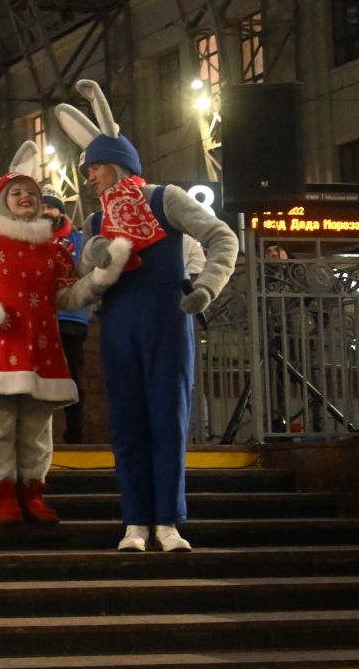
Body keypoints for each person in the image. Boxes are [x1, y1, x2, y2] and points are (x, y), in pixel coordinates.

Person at [56, 79, 239, 552]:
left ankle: (168, 521)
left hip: (166, 321)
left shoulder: (165, 198)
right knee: (128, 423)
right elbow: (77, 287)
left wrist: (205, 288)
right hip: (118, 328)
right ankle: (135, 521)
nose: (89, 177)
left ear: (117, 164)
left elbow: (223, 237)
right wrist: (92, 267)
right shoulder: (95, 222)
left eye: (94, 167)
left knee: (168, 419)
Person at [0, 141, 126, 524]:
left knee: (37, 430)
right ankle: (5, 496)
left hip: (39, 350)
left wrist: (99, 280)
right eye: (17, 192)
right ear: (1, 201)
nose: (26, 197)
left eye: (31, 192)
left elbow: (67, 296)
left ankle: (33, 493)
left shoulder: (55, 251)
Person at [41, 192, 91, 443]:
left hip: (72, 319)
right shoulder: (32, 240)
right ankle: (40, 437)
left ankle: (76, 435)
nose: (45, 212)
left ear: (61, 212)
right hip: (39, 319)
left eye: (50, 207)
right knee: (39, 381)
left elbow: (90, 273)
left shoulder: (79, 241)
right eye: (42, 207)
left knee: (73, 379)